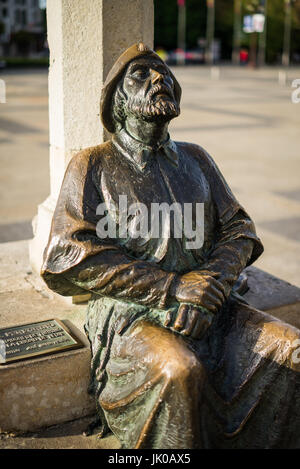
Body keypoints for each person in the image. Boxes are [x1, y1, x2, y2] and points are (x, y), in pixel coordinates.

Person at [41, 43, 300, 449]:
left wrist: (208, 287)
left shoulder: (197, 159)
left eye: (163, 73)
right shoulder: (92, 164)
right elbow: (64, 256)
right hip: (133, 317)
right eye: (140, 75)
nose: (159, 80)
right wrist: (173, 289)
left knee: (292, 352)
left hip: (217, 306)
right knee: (179, 371)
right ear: (119, 102)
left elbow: (241, 230)